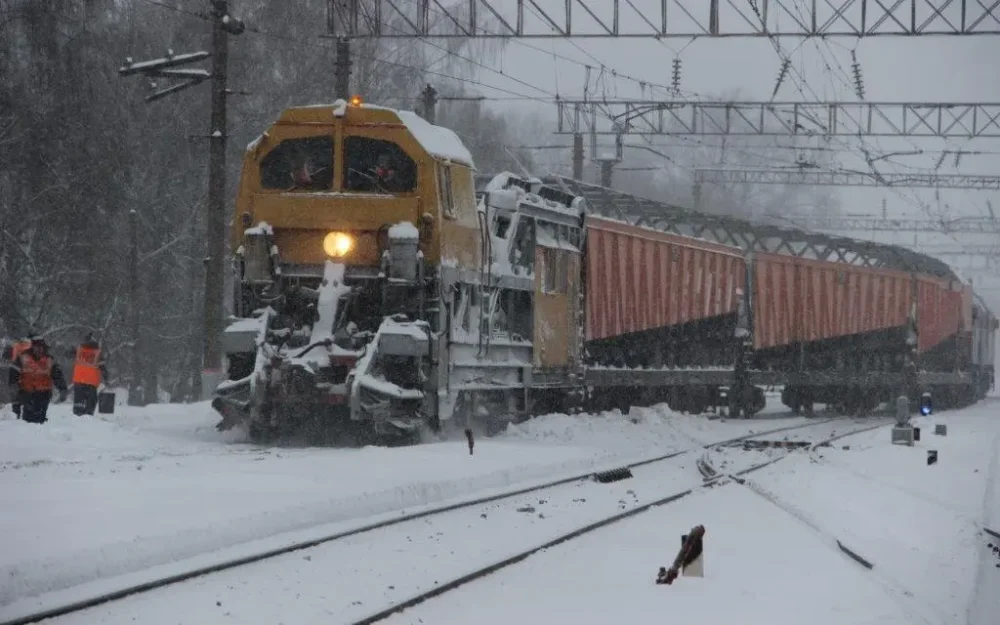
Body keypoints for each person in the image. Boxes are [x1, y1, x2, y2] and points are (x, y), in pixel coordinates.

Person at [8, 335, 68, 424]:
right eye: (37, 347)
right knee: (28, 420)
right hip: (27, 394)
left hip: (44, 395)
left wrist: (62, 389)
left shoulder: (49, 360)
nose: (39, 350)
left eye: (41, 347)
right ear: (32, 347)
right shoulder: (22, 358)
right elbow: (13, 376)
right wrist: (15, 394)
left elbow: (57, 376)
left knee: (40, 420)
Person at [71, 332, 108, 416]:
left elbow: (68, 354)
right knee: (91, 401)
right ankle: (88, 417)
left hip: (78, 380)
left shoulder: (79, 350)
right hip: (91, 382)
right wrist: (106, 379)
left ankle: (77, 416)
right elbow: (103, 368)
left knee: (78, 401)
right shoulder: (97, 353)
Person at [6, 334, 32, 419]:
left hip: (16, 373)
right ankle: (25, 416)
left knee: (16, 397)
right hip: (24, 375)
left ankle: (16, 415)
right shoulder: (29, 346)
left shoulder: (16, 346)